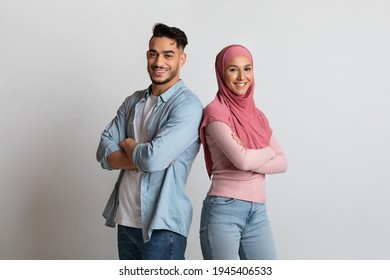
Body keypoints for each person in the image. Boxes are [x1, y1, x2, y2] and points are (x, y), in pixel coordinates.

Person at [96, 23, 203, 260]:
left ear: (182, 59)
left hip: (162, 226)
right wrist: (144, 157)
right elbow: (104, 151)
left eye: (168, 55)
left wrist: (131, 146)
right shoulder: (133, 101)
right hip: (125, 220)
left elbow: (154, 159)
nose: (159, 62)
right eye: (154, 53)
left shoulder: (188, 106)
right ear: (147, 55)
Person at [199, 44, 287, 260]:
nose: (241, 76)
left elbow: (283, 162)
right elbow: (243, 161)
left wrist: (252, 153)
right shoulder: (215, 111)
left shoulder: (258, 116)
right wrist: (267, 151)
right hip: (224, 209)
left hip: (258, 211)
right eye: (233, 69)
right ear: (221, 72)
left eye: (247, 69)